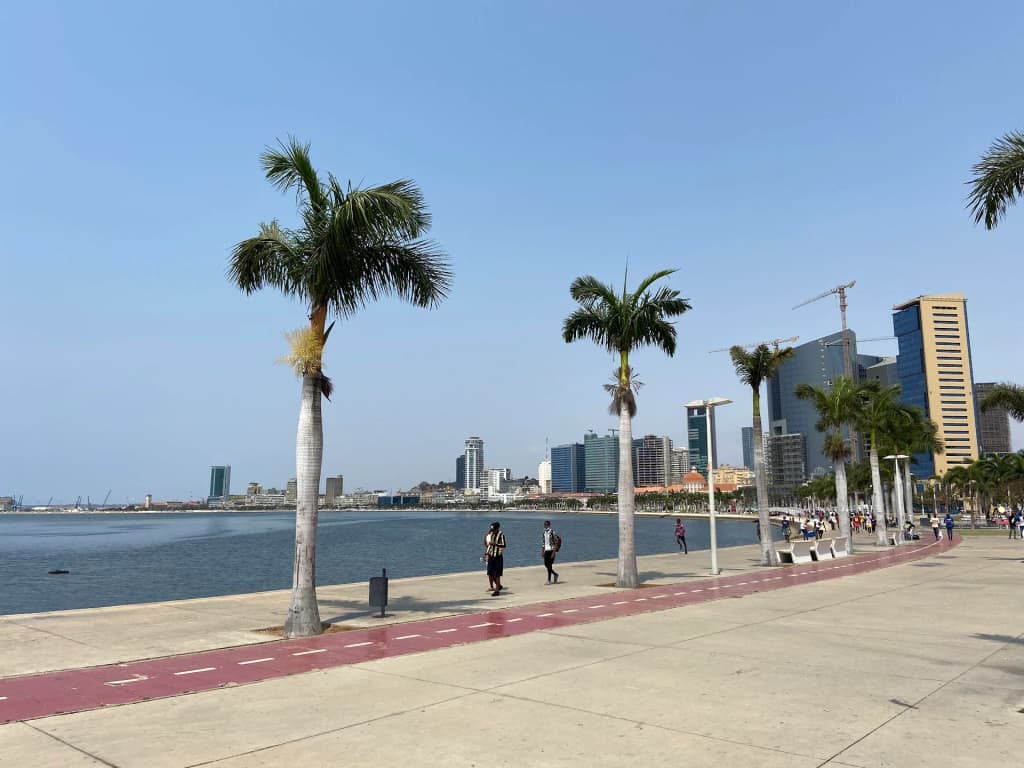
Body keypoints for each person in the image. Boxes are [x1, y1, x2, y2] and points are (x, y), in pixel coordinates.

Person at [483, 521, 506, 596]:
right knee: (490, 572)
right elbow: (489, 545)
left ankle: (497, 590)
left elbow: (504, 545)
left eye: (494, 530)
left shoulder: (501, 535)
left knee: (497, 574)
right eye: (492, 530)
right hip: (491, 555)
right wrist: (486, 553)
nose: (493, 531)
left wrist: (495, 544)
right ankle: (498, 586)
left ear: (498, 528)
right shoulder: (492, 534)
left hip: (498, 556)